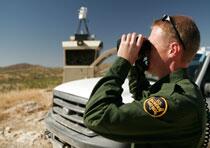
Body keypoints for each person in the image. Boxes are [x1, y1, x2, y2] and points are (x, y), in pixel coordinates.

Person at [84, 15, 207, 148]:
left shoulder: (178, 99)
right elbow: (142, 96)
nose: (146, 51)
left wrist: (123, 62)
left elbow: (96, 115)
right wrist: (137, 62)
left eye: (150, 46)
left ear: (173, 50)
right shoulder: (170, 88)